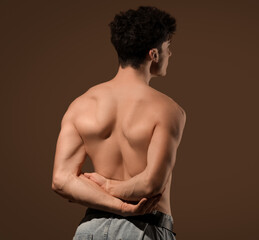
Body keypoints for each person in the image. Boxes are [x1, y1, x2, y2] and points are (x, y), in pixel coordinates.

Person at [51, 6, 186, 240]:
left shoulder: (81, 105)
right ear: (153, 54)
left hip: (90, 230)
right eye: (168, 47)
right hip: (145, 229)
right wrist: (124, 205)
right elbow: (152, 185)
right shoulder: (167, 110)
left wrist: (107, 190)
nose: (170, 54)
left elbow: (62, 180)